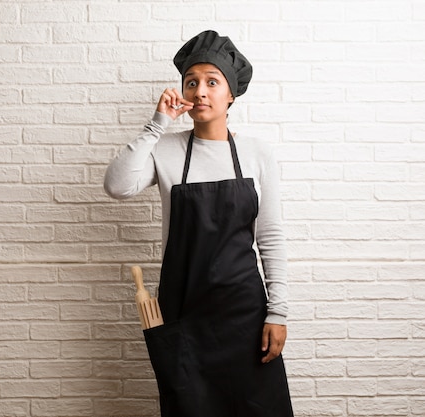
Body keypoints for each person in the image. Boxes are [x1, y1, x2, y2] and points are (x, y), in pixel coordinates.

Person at [103, 30, 294, 416]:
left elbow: (270, 236)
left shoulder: (256, 153)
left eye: (212, 81)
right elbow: (117, 186)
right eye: (192, 82)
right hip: (184, 316)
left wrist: (278, 312)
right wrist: (156, 124)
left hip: (245, 318)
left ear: (231, 95)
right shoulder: (167, 150)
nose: (201, 91)